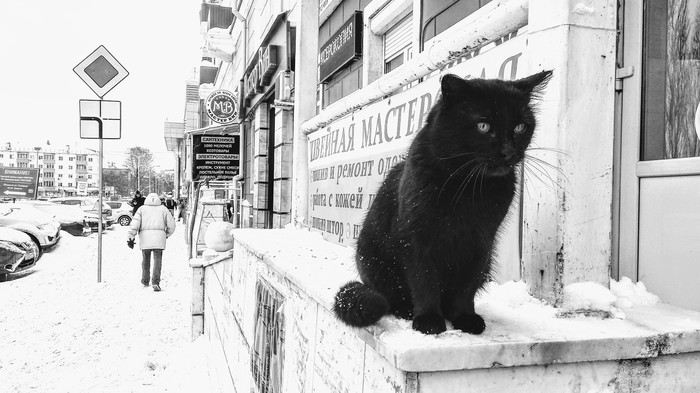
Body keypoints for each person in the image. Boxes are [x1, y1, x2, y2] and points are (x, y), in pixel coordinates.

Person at [127, 193, 176, 292]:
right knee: (158, 261)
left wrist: (131, 237)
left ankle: (145, 280)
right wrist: (166, 235)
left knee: (146, 260)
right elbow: (172, 225)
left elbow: (134, 225)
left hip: (145, 240)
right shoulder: (163, 209)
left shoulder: (141, 209)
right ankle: (155, 282)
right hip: (159, 239)